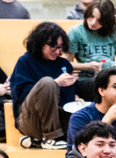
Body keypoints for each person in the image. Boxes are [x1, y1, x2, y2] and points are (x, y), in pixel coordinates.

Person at [9, 21, 75, 150]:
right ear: (40, 44)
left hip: (57, 117)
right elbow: (21, 94)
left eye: (60, 47)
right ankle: (51, 138)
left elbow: (67, 101)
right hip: (30, 119)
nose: (57, 51)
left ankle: (35, 141)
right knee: (48, 82)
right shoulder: (25, 61)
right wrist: (56, 83)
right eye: (53, 47)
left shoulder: (64, 64)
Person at [68, 0, 116, 99]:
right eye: (91, 16)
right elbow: (66, 63)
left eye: (99, 20)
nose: (93, 22)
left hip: (111, 76)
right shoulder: (75, 32)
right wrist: (88, 66)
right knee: (102, 85)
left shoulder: (114, 31)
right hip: (87, 78)